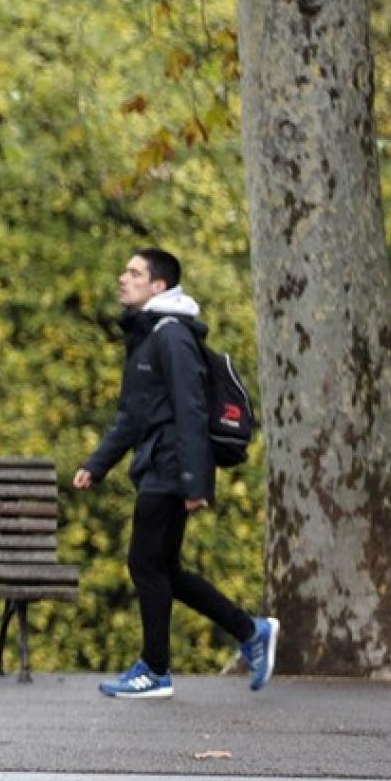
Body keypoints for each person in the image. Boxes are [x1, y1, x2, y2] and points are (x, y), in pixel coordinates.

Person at [74, 247, 279, 699]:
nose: (122, 279)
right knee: (165, 568)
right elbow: (131, 416)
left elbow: (191, 409)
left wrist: (195, 482)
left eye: (133, 273)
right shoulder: (148, 337)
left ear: (158, 286)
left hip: (170, 467)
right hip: (158, 463)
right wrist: (96, 464)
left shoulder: (172, 336)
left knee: (144, 563)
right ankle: (251, 630)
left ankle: (155, 669)